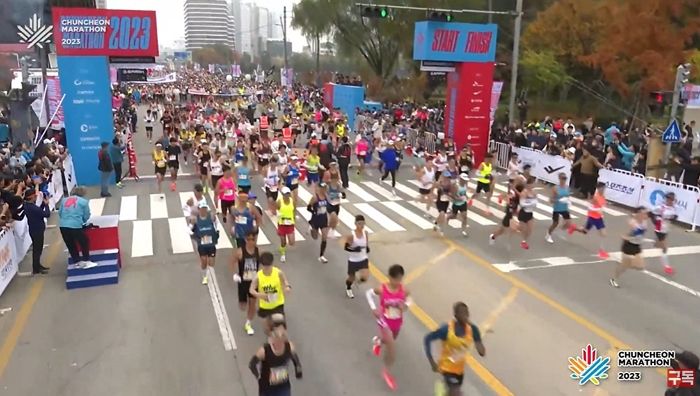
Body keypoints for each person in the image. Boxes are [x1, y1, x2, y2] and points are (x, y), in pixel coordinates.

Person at [424, 302, 486, 396]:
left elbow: (482, 352)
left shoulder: (472, 329)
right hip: (446, 367)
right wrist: (432, 362)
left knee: (452, 392)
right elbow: (427, 339)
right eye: (462, 313)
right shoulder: (446, 329)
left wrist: (478, 344)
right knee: (456, 393)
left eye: (466, 313)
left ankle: (440, 390)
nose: (465, 315)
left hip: (459, 369)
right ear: (456, 315)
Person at [366, 264, 410, 391]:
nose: (397, 282)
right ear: (389, 277)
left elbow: (410, 300)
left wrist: (406, 306)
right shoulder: (381, 288)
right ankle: (386, 371)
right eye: (395, 279)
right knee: (391, 348)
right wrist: (373, 308)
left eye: (400, 279)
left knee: (392, 338)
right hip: (384, 320)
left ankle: (378, 341)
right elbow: (369, 294)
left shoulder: (404, 290)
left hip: (396, 321)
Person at [248, 317, 303, 396]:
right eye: (277, 334)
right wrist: (258, 377)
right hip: (267, 388)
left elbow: (294, 357)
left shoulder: (289, 346)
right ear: (272, 335)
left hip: (283, 386)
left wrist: (298, 367)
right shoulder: (264, 351)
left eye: (282, 333)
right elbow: (252, 364)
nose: (280, 336)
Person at [249, 251, 292, 333]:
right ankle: (270, 339)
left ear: (272, 263)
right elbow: (251, 290)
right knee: (268, 329)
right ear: (262, 265)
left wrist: (287, 287)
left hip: (278, 304)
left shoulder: (278, 272)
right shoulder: (258, 276)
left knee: (280, 327)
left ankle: (279, 340)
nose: (267, 268)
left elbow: (285, 282)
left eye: (269, 266)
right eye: (265, 266)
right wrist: (261, 295)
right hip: (265, 306)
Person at [58, 186, 97, 269]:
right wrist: (82, 221)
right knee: (84, 241)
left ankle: (77, 261)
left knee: (70, 243)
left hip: (63, 225)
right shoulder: (83, 202)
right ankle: (86, 260)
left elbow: (60, 213)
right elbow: (86, 215)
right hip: (75, 225)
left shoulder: (64, 200)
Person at [609, 207, 648, 288]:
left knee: (640, 267)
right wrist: (627, 237)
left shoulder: (644, 222)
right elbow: (632, 233)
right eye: (643, 213)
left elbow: (640, 234)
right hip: (629, 245)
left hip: (637, 245)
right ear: (639, 214)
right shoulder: (633, 223)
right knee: (624, 267)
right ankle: (613, 279)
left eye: (646, 213)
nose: (645, 215)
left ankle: (624, 263)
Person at [568, 182, 608, 259]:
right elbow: (590, 207)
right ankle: (601, 252)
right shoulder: (595, 197)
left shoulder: (603, 196)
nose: (604, 190)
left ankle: (574, 227)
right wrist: (597, 210)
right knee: (600, 233)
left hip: (597, 217)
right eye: (602, 188)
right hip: (594, 217)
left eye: (604, 188)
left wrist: (601, 210)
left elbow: (602, 205)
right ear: (599, 188)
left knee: (586, 231)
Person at [232, 230, 260, 335]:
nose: (251, 242)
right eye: (249, 239)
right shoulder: (240, 252)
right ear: (245, 240)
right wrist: (235, 274)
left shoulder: (259, 251)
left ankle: (248, 323)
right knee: (242, 306)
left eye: (253, 239)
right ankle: (245, 302)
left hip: (254, 282)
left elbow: (263, 264)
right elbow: (231, 262)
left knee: (253, 304)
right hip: (243, 282)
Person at [192, 201, 219, 285]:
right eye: (202, 208)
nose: (204, 210)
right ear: (199, 209)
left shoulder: (211, 217)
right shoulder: (196, 219)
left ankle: (208, 275)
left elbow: (216, 226)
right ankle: (205, 277)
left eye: (205, 208)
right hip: (202, 245)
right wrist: (196, 238)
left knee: (211, 262)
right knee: (204, 261)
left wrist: (216, 233)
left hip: (211, 244)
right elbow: (191, 231)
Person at [24, 189, 50, 274]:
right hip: (37, 230)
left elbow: (39, 212)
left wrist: (42, 204)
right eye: (34, 196)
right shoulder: (33, 208)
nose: (36, 197)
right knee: (37, 249)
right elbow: (46, 214)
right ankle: (36, 268)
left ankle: (37, 265)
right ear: (30, 197)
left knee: (37, 249)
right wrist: (46, 205)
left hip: (34, 229)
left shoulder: (28, 206)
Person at [650, 192, 677, 274]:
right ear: (666, 199)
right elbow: (651, 213)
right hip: (659, 229)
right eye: (668, 199)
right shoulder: (661, 207)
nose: (670, 201)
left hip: (666, 229)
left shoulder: (673, 208)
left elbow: (674, 217)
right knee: (664, 248)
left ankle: (654, 243)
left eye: (671, 199)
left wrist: (673, 219)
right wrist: (655, 221)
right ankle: (667, 267)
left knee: (657, 245)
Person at [344, 214, 370, 299]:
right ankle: (348, 287)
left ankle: (358, 282)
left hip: (363, 258)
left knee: (365, 276)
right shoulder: (352, 235)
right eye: (359, 223)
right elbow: (346, 247)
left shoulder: (365, 233)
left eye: (363, 223)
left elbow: (366, 244)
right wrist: (354, 249)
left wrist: (367, 248)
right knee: (351, 278)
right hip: (353, 260)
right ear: (355, 224)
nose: (361, 226)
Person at [306, 182, 330, 263]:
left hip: (323, 219)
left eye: (325, 188)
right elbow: (308, 207)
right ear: (319, 188)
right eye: (322, 188)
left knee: (324, 237)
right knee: (315, 237)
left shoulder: (326, 196)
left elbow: (329, 205)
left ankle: (321, 256)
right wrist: (314, 212)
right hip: (316, 219)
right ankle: (311, 226)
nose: (324, 189)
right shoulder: (315, 198)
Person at [546, 173, 573, 244]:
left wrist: (568, 201)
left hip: (565, 208)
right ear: (559, 179)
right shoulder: (555, 188)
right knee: (555, 223)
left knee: (569, 223)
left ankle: (558, 231)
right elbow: (550, 200)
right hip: (557, 208)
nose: (564, 180)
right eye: (562, 178)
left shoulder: (567, 187)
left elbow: (568, 196)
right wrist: (559, 200)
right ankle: (548, 234)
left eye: (565, 179)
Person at [276, 187, 296, 263]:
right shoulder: (279, 202)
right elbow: (277, 210)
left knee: (291, 242)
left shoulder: (292, 201)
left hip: (290, 223)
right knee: (283, 241)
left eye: (288, 194)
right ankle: (283, 254)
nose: (287, 196)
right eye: (285, 194)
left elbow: (294, 210)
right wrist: (279, 215)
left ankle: (282, 248)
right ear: (283, 195)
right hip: (282, 223)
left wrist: (294, 219)